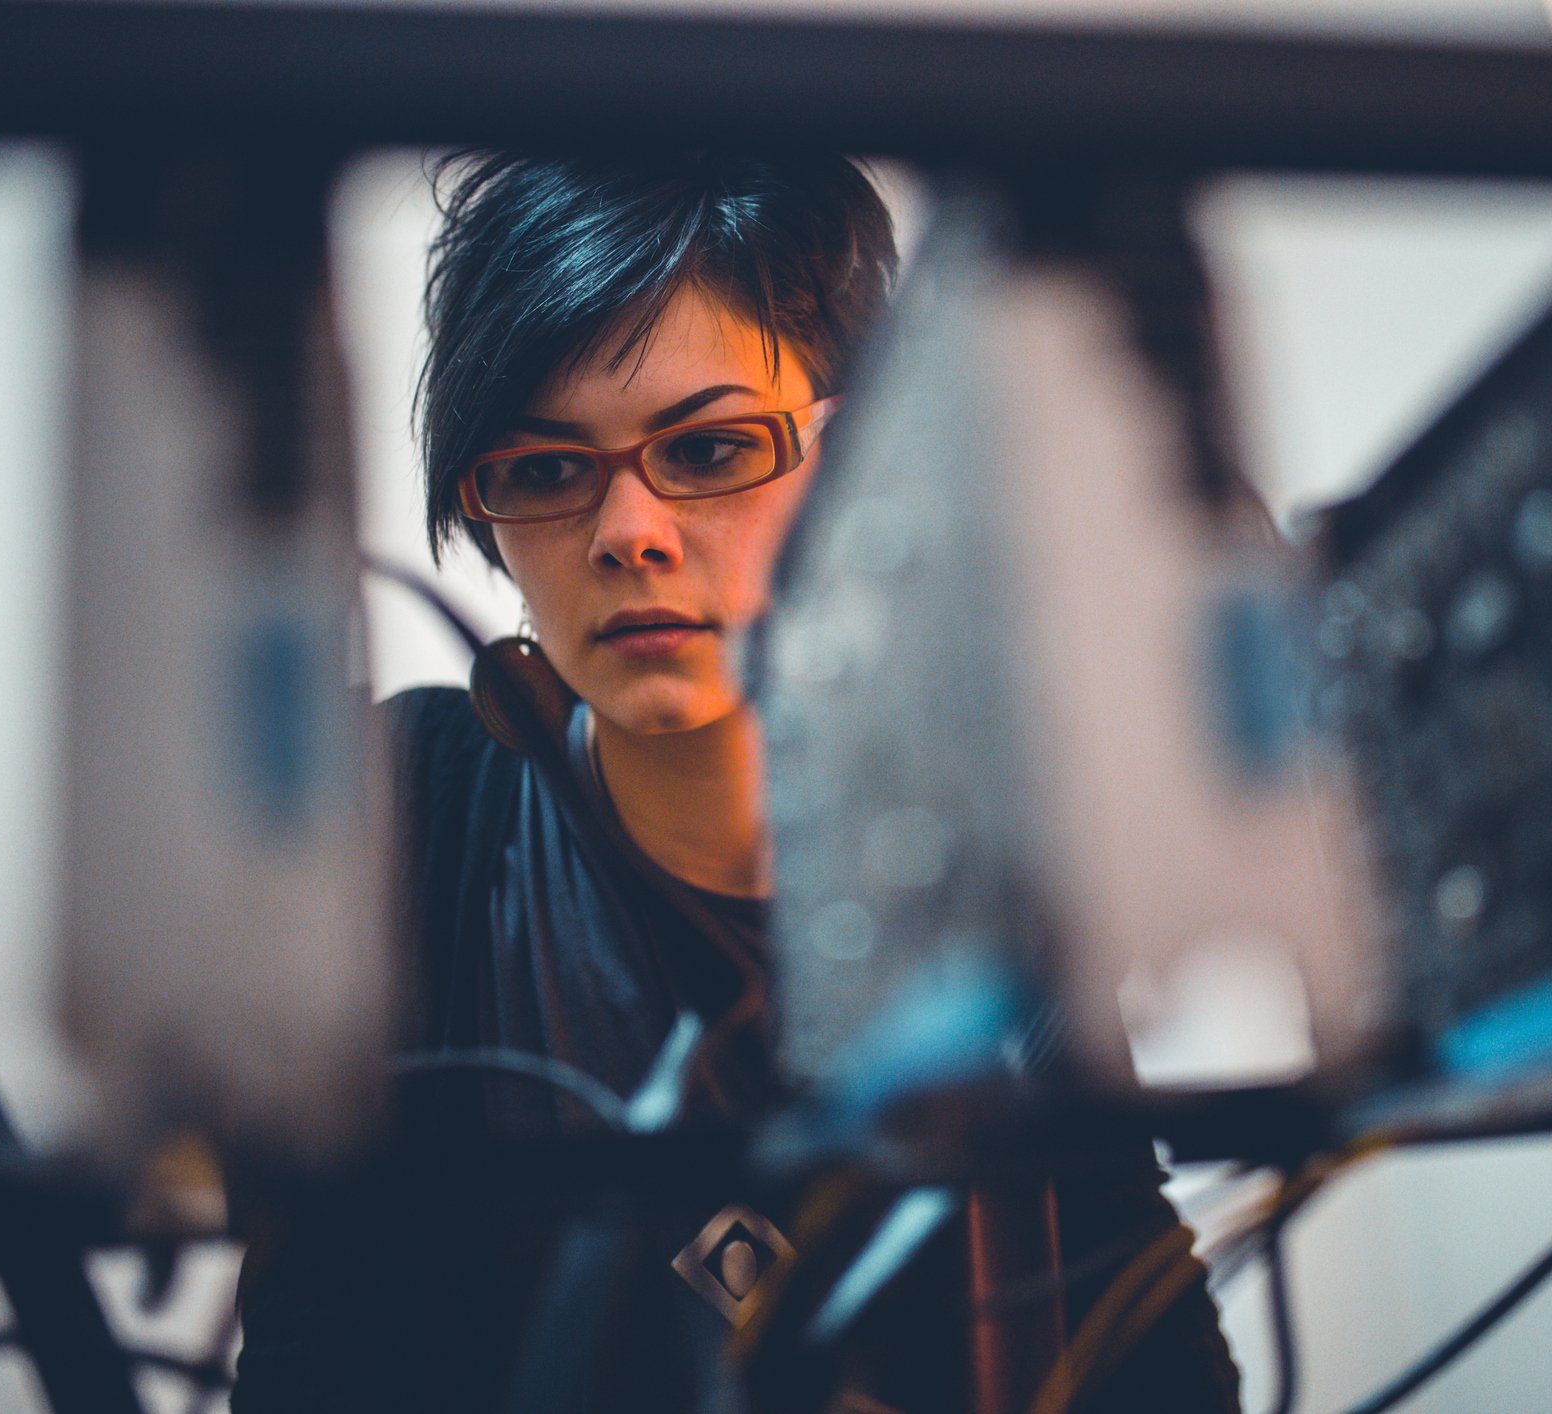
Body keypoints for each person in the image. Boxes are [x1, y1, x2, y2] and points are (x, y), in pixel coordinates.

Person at [231, 151, 1241, 1413]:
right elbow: (306, 1361)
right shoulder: (407, 820)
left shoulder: (993, 864)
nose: (628, 530)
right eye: (546, 470)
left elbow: (1150, 1347)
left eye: (709, 450)